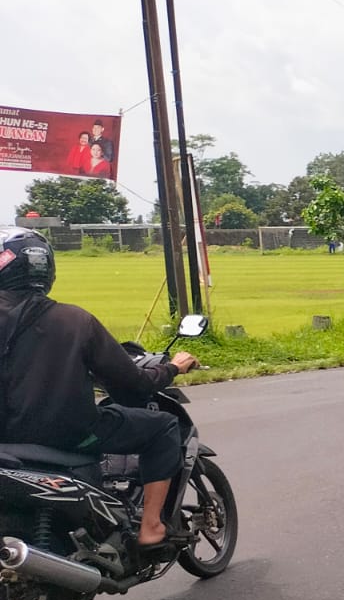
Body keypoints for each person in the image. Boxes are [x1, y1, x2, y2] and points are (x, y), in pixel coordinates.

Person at [0, 228, 198, 548]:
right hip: (72, 437)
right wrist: (172, 368)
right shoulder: (75, 321)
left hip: (7, 442)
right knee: (163, 426)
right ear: (46, 269)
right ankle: (150, 527)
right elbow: (131, 389)